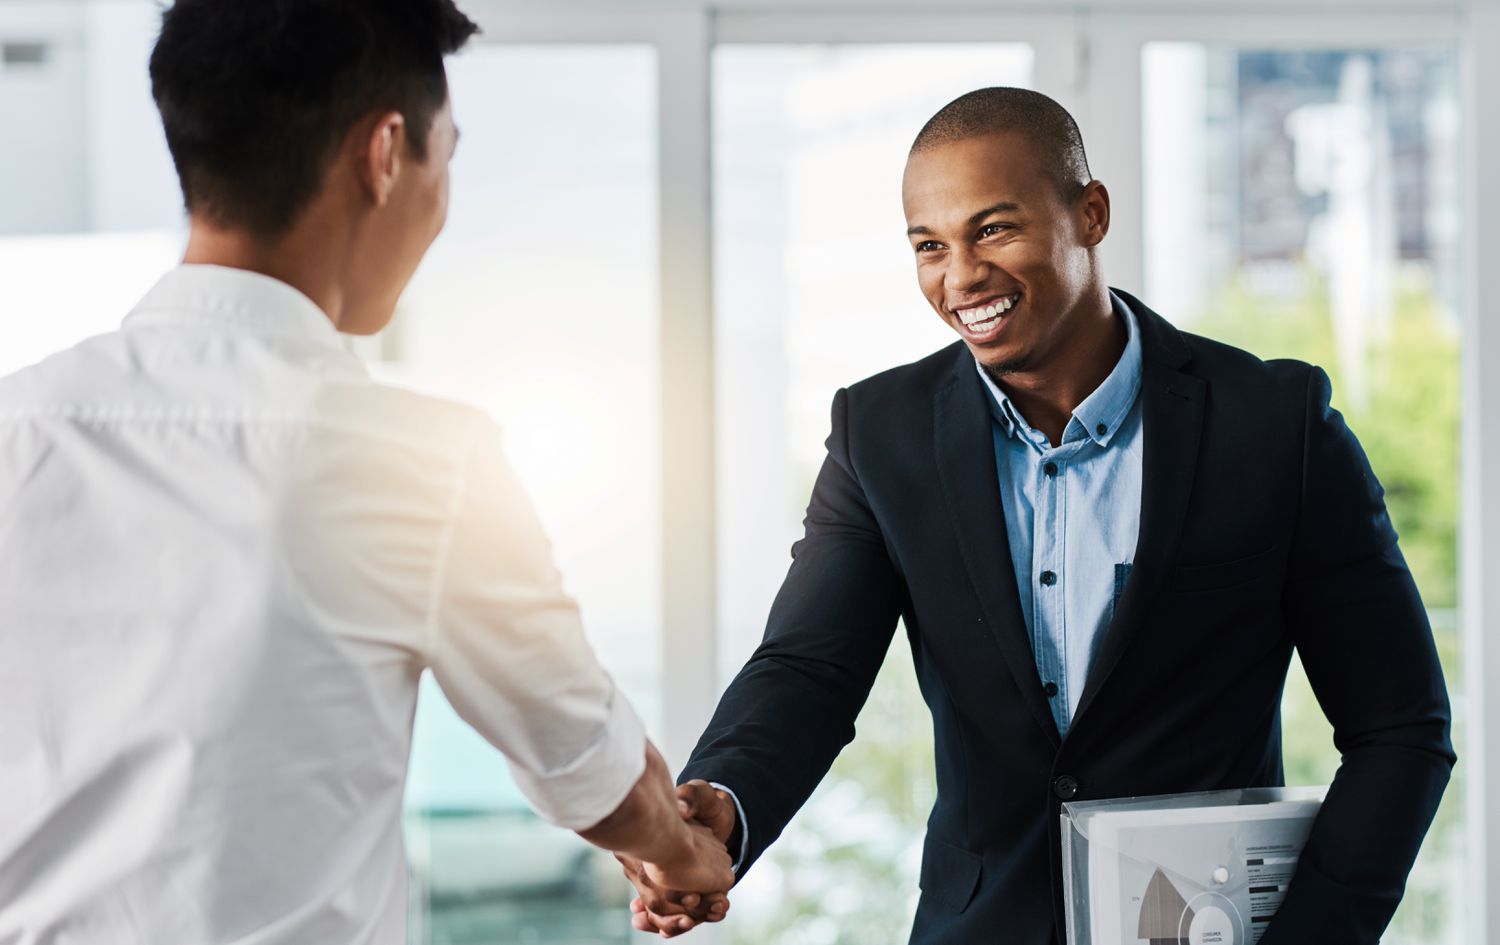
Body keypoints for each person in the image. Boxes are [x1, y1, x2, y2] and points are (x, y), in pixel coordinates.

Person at [623, 87, 1454, 944]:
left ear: (1089, 213)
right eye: (929, 246)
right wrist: (722, 806)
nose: (961, 277)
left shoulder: (1275, 424)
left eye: (993, 229)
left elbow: (1401, 728)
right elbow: (808, 671)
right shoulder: (880, 434)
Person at [0, 2, 731, 942]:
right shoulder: (418, 462)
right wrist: (678, 851)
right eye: (447, 155)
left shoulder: (18, 427)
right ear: (386, 153)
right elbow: (583, 758)